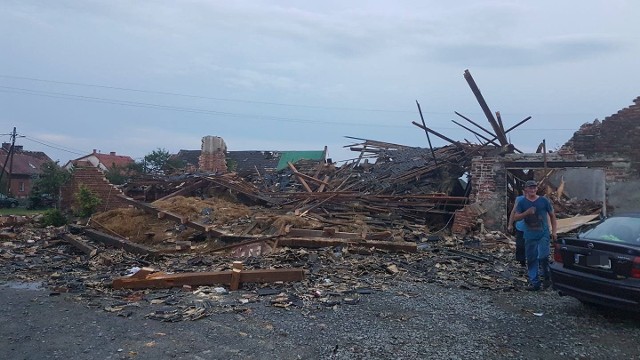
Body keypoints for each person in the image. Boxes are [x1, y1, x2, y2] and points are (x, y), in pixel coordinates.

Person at [514, 180, 557, 291]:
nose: (533, 190)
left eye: (534, 188)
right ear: (526, 189)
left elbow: (552, 216)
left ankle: (547, 277)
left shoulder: (544, 201)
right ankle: (535, 283)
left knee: (543, 256)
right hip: (529, 235)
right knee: (532, 259)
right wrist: (526, 213)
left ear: (536, 189)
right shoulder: (522, 202)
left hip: (543, 233)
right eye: (530, 188)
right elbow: (516, 217)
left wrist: (554, 231)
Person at [507, 193, 526, 267]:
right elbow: (513, 211)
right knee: (520, 245)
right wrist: (510, 224)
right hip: (521, 226)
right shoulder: (519, 199)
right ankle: (522, 262)